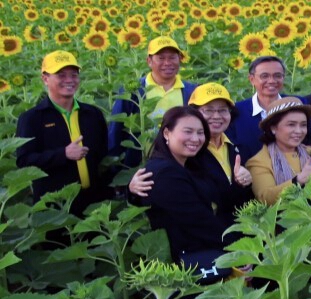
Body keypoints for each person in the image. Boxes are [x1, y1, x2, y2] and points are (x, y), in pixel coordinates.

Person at [130, 83, 253, 227]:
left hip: (241, 230)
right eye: (208, 110)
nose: (217, 116)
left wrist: (246, 182)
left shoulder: (239, 147)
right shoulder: (188, 151)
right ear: (193, 113)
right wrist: (133, 191)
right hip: (211, 236)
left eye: (223, 110)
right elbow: (166, 188)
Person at [16, 50, 113, 217]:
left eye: (74, 75)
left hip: (93, 202)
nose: (69, 80)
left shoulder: (92, 114)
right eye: (61, 75)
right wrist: (63, 154)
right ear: (45, 79)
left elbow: (103, 155)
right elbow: (24, 161)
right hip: (54, 206)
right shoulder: (32, 118)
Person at [141, 106, 237, 268]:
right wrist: (237, 250)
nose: (195, 139)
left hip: (201, 250)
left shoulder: (190, 163)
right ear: (166, 133)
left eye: (200, 133)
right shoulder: (166, 173)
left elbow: (221, 196)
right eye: (188, 131)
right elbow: (199, 222)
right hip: (185, 261)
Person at [109, 36, 198, 168]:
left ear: (180, 59)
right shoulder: (134, 92)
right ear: (149, 61)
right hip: (141, 165)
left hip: (183, 166)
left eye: (172, 57)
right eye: (161, 58)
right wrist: (115, 172)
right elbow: (116, 132)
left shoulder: (192, 91)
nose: (167, 63)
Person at [246, 97, 311, 205]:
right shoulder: (259, 161)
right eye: (291, 125)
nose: (299, 131)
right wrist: (297, 181)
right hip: (283, 221)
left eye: (303, 125)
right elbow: (265, 197)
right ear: (273, 128)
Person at [225, 56, 296, 164]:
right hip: (251, 176)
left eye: (277, 76)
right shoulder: (237, 112)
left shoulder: (297, 104)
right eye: (264, 76)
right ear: (252, 79)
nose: (272, 81)